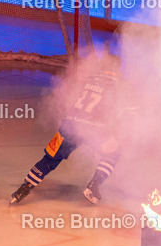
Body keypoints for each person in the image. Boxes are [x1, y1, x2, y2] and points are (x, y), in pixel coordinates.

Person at [10, 53, 133, 206]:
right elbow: (129, 109)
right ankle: (94, 186)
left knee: (49, 159)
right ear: (117, 69)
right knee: (114, 151)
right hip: (94, 128)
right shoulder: (118, 85)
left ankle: (22, 190)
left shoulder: (90, 79)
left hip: (69, 124)